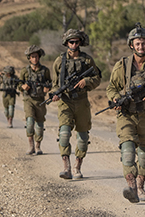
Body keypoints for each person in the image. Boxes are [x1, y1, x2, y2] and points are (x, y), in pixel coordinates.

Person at [106, 23, 145, 203]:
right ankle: (132, 186)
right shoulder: (122, 66)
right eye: (137, 43)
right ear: (131, 45)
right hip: (126, 114)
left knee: (144, 155)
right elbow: (111, 88)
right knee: (127, 150)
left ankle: (141, 185)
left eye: (143, 43)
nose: (141, 47)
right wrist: (115, 101)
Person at [50, 29, 101, 180]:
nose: (73, 44)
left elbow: (97, 77)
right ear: (66, 43)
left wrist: (87, 81)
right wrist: (54, 94)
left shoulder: (87, 60)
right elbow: (54, 84)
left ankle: (78, 166)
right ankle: (66, 167)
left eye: (76, 42)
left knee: (83, 137)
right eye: (71, 42)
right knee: (64, 134)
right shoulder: (59, 61)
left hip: (81, 101)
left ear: (80, 43)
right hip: (65, 102)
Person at [18, 45, 52, 155]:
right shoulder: (25, 71)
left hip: (40, 100)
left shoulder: (45, 70)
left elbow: (50, 82)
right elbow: (19, 83)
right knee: (29, 122)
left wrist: (48, 88)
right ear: (29, 58)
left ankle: (38, 146)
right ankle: (31, 146)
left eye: (36, 56)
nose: (34, 59)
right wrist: (22, 87)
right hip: (28, 99)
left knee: (40, 125)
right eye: (32, 57)